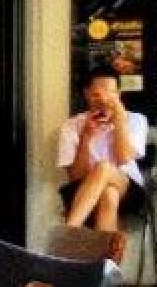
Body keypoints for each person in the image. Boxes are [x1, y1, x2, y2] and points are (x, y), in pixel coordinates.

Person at [57, 63, 149, 232]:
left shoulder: (136, 120)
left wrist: (119, 121)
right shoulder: (72, 125)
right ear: (86, 94)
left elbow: (123, 158)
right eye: (97, 95)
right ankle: (103, 251)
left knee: (104, 167)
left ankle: (69, 230)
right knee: (109, 194)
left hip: (128, 186)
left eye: (111, 94)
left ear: (119, 94)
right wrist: (86, 136)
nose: (104, 100)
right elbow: (75, 177)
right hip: (84, 188)